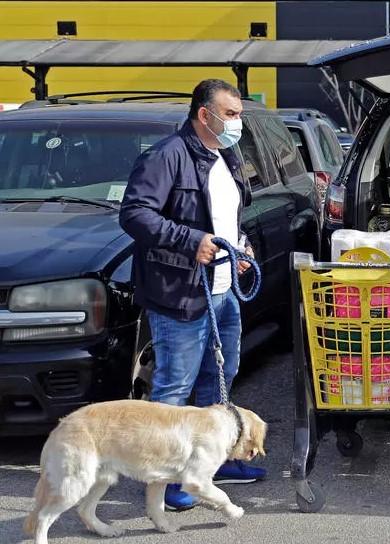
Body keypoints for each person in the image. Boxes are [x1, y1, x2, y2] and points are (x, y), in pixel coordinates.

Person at [119, 79, 265, 511]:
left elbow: (229, 216)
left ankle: (209, 464)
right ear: (206, 115)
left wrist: (240, 246)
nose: (238, 123)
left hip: (222, 292)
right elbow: (134, 214)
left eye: (239, 114)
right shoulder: (166, 156)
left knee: (218, 379)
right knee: (173, 389)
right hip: (179, 293)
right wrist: (189, 241)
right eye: (232, 115)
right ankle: (164, 481)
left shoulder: (227, 155)